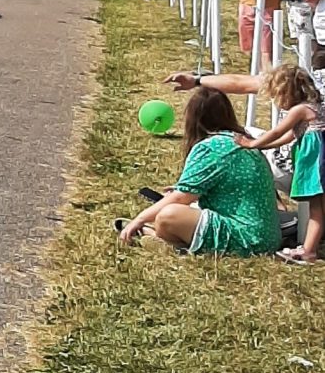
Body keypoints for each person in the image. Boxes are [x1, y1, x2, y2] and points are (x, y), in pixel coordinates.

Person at [119, 87, 282, 255]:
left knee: (168, 216)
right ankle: (159, 237)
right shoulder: (244, 142)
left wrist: (139, 219)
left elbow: (182, 197)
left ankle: (159, 238)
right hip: (268, 237)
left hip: (246, 238)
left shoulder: (210, 148)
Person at [236, 65, 325, 264]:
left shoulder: (300, 110)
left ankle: (309, 251)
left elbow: (277, 132)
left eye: (277, 96)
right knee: (317, 207)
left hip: (316, 162)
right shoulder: (314, 108)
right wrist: (262, 145)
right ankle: (309, 246)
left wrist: (252, 143)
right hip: (316, 159)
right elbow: (287, 137)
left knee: (317, 208)